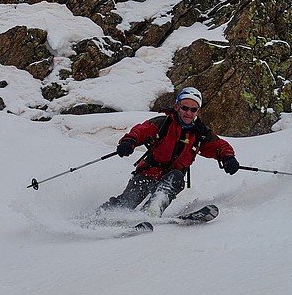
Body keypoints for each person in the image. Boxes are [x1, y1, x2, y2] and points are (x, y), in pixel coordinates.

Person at [97, 87, 239, 218]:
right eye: (184, 108)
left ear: (198, 111)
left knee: (175, 176)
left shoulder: (201, 133)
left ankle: (152, 210)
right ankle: (100, 216)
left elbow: (220, 146)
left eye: (193, 109)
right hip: (148, 173)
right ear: (177, 106)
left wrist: (228, 158)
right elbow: (140, 131)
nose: (188, 113)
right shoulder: (163, 123)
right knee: (127, 202)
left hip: (173, 177)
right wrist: (128, 142)